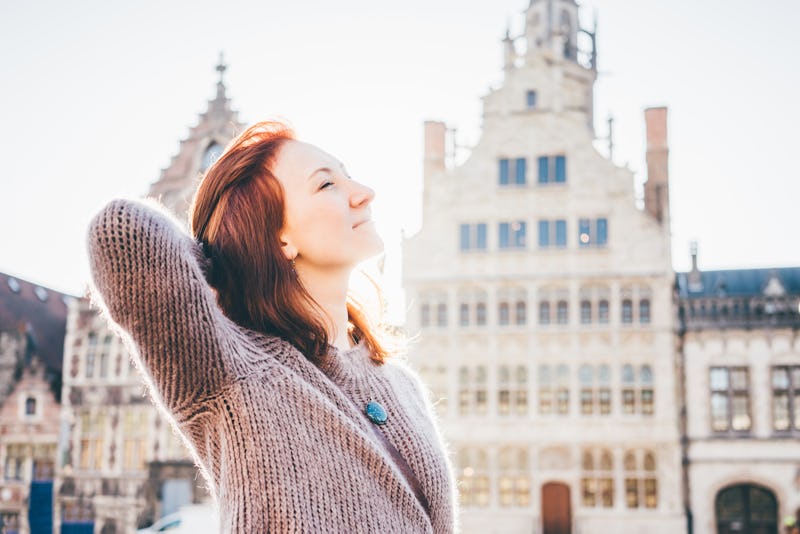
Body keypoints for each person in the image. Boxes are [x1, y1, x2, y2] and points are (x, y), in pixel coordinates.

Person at [86, 121, 458, 533]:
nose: (363, 193)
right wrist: (225, 263)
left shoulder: (403, 386)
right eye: (326, 185)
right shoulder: (232, 373)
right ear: (278, 238)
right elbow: (121, 229)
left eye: (348, 175)